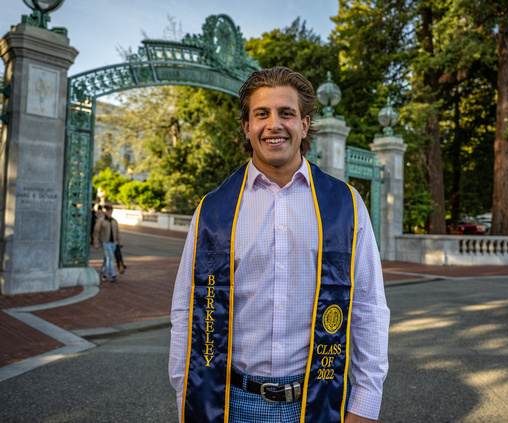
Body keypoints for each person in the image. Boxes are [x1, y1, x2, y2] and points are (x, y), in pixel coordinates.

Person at [169, 67, 389, 423]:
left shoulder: (345, 203)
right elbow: (186, 312)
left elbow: (369, 308)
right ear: (247, 127)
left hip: (321, 400)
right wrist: (186, 398)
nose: (274, 124)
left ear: (304, 125)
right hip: (231, 403)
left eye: (286, 113)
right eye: (262, 114)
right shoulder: (213, 209)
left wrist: (364, 405)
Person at [93, 204, 121, 282]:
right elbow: (96, 232)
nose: (109, 212)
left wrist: (119, 242)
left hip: (113, 243)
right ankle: (112, 275)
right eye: (108, 211)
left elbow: (117, 232)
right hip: (105, 242)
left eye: (110, 211)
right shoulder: (101, 221)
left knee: (107, 259)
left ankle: (103, 274)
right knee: (110, 257)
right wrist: (96, 242)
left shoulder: (114, 221)